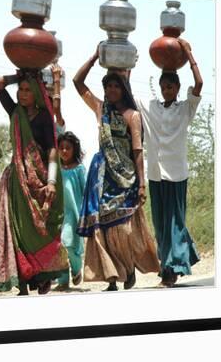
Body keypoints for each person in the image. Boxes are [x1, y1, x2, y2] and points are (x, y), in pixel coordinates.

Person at [73, 46, 160, 291]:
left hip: (126, 177)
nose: (111, 90)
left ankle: (128, 268)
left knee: (123, 228)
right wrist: (93, 57)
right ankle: (111, 276)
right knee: (102, 227)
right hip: (102, 177)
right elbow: (78, 82)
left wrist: (142, 184)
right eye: (108, 86)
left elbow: (137, 151)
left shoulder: (133, 116)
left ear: (123, 89)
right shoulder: (101, 109)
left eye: (116, 86)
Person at [0, 70, 69, 296]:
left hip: (41, 180)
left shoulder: (43, 117)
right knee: (19, 231)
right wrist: (21, 74)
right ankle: (22, 282)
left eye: (27, 90)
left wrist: (51, 181)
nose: (22, 95)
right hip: (17, 180)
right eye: (20, 90)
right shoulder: (15, 112)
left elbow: (52, 148)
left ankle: (43, 276)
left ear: (36, 93)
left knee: (41, 230)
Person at [132, 38, 202, 288]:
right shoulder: (151, 108)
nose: (167, 90)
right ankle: (175, 263)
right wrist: (129, 63)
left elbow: (200, 83)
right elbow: (129, 93)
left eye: (171, 87)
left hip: (177, 174)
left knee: (175, 223)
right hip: (155, 175)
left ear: (177, 88)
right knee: (161, 225)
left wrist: (188, 53)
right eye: (164, 86)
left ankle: (170, 272)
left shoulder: (185, 109)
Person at [54, 131, 87, 291]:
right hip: (59, 214)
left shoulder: (79, 169)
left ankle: (76, 268)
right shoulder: (56, 170)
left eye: (68, 148)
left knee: (70, 245)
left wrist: (87, 213)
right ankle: (63, 281)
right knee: (60, 245)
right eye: (61, 148)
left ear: (74, 149)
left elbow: (86, 190)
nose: (64, 151)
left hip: (75, 213)